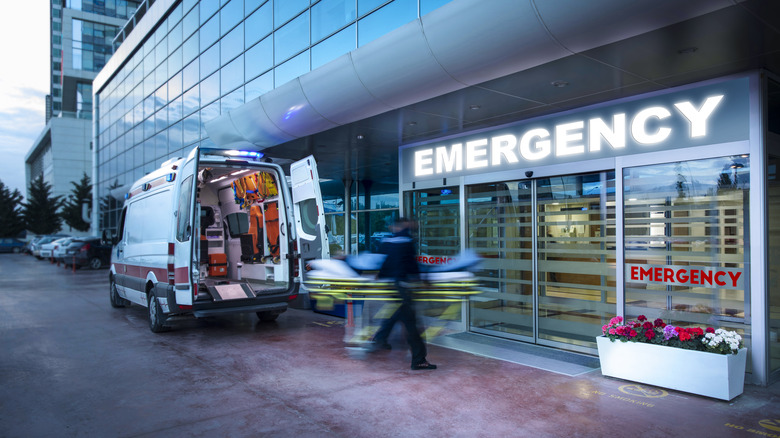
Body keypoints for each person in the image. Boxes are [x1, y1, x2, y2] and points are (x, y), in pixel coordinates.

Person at [368, 217, 437, 370]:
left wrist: (379, 276)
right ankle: (419, 359)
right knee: (412, 324)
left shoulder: (387, 241)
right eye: (411, 224)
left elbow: (382, 264)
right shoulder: (406, 241)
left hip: (391, 286)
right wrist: (422, 281)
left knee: (398, 313)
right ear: (404, 225)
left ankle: (380, 338)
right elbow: (412, 265)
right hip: (401, 287)